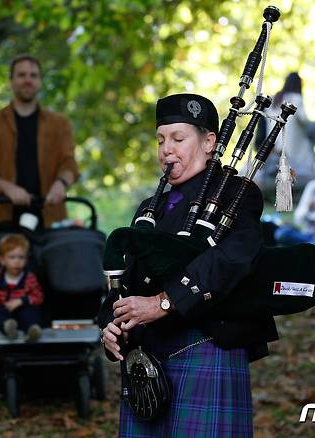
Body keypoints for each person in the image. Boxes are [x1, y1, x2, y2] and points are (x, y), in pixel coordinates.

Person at [99, 94, 278, 436]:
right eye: (161, 140)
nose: (167, 149)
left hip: (206, 350)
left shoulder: (237, 195)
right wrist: (111, 325)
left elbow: (230, 261)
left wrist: (163, 302)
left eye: (179, 138)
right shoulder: (149, 209)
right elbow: (127, 282)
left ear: (210, 141)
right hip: (147, 364)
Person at [0, 54, 79, 229]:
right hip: (1, 217)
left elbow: (69, 164)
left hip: (50, 216)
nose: (27, 80)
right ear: (11, 81)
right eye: (21, 75)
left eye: (33, 75)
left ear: (40, 81)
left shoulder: (60, 124)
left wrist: (61, 184)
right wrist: (8, 188)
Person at [255, 72, 315, 193]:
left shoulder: (274, 100)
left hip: (273, 148)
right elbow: (305, 121)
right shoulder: (296, 99)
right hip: (291, 151)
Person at [0, 234, 44, 342]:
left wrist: (21, 301)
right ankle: (7, 327)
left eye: (21, 257)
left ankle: (32, 331)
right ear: (2, 260)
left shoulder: (29, 278)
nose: (17, 261)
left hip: (21, 308)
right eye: (12, 257)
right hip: (2, 308)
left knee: (31, 313)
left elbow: (38, 296)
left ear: (26, 259)